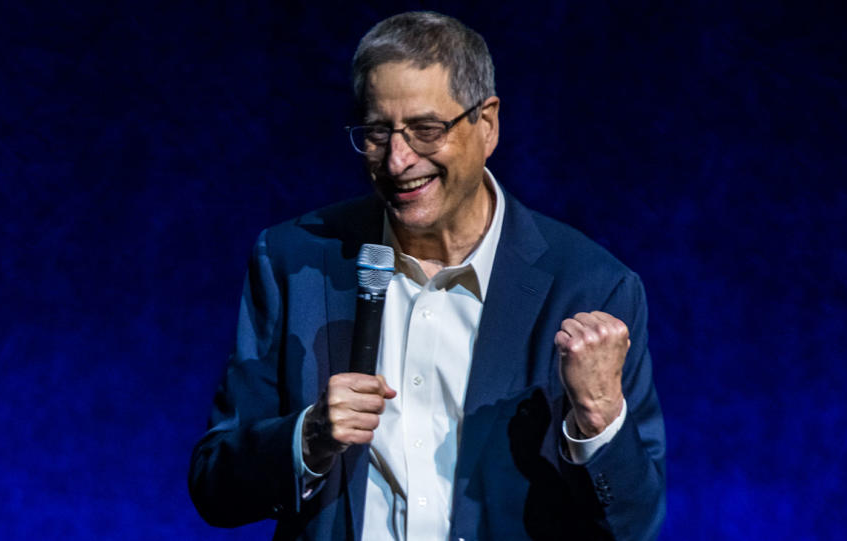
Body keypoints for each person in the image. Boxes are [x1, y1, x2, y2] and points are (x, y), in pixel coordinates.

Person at [189, 11, 665, 541]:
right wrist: (309, 437)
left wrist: (598, 418)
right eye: (376, 133)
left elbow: (634, 525)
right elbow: (214, 485)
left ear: (486, 124)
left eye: (425, 130)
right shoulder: (294, 261)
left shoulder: (590, 286)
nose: (397, 161)